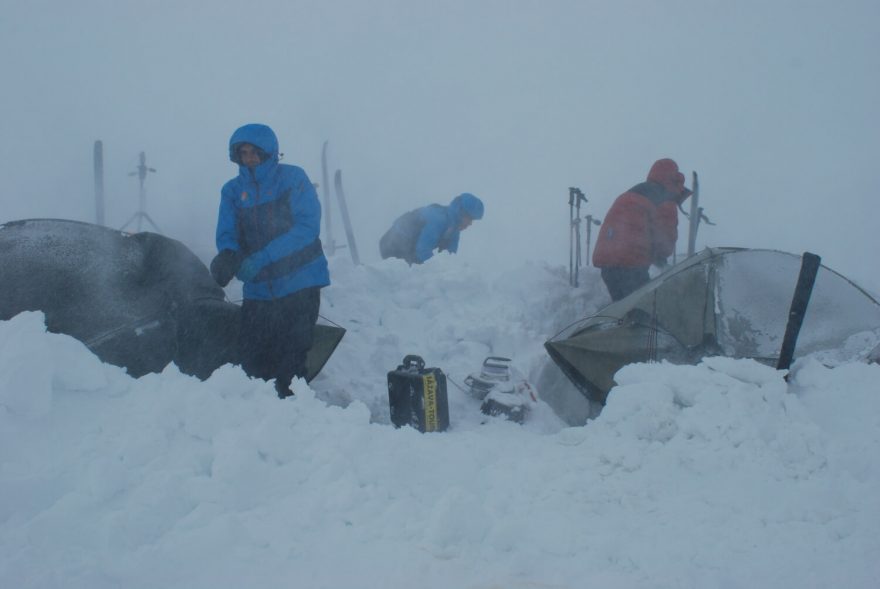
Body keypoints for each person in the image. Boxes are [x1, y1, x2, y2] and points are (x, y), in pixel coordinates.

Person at [209, 123, 330, 399]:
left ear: (270, 153)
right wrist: (227, 254)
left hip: (300, 282)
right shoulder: (232, 191)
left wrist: (263, 258)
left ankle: (293, 421)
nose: (249, 158)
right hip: (259, 290)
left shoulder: (292, 179)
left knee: (290, 361)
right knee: (252, 363)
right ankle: (256, 426)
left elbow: (307, 228)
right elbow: (227, 231)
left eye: (255, 152)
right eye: (243, 152)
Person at [592, 158, 692, 302]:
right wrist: (662, 259)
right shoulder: (665, 198)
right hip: (631, 264)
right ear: (675, 182)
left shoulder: (632, 192)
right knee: (643, 311)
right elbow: (664, 241)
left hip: (607, 263)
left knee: (623, 310)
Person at [379, 193, 484, 265]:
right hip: (393, 246)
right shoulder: (438, 218)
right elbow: (423, 250)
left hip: (410, 250)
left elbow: (449, 259)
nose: (470, 224)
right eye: (470, 218)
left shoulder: (453, 230)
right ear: (461, 212)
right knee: (414, 279)